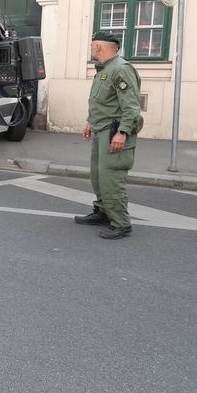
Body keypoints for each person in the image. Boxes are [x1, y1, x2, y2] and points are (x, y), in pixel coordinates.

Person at [74, 31, 142, 240]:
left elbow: (131, 107)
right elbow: (103, 101)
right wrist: (90, 121)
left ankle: (121, 223)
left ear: (98, 47)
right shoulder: (106, 68)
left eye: (92, 45)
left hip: (114, 131)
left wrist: (122, 133)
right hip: (101, 129)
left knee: (111, 177)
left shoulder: (120, 69)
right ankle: (103, 212)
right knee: (98, 175)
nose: (91, 49)